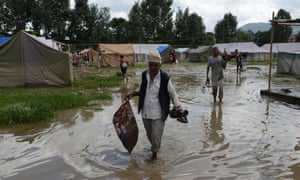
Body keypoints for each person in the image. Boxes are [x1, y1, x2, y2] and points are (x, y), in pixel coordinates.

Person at [125, 51, 184, 160]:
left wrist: (179, 108)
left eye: (156, 65)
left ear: (160, 65)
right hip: (146, 112)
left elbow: (173, 94)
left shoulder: (164, 77)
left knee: (156, 136)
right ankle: (155, 147)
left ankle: (154, 157)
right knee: (149, 135)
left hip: (159, 113)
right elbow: (142, 89)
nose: (153, 68)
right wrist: (132, 93)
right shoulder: (144, 75)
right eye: (151, 65)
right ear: (148, 65)